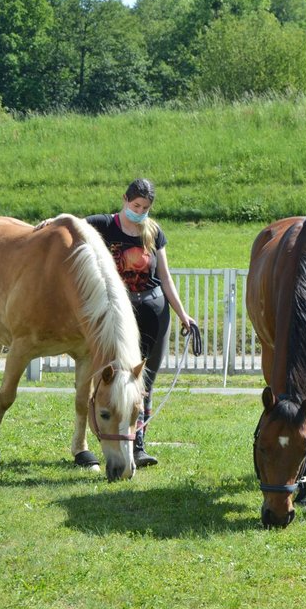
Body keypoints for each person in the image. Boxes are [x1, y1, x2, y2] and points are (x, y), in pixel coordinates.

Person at [39, 178, 195, 467]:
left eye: (145, 208)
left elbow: (165, 277)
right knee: (117, 378)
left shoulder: (154, 231)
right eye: (136, 205)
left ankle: (138, 446)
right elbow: (72, 225)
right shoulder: (104, 225)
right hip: (119, 316)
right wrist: (54, 221)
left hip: (153, 311)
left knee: (144, 381)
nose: (140, 212)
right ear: (125, 199)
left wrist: (183, 314)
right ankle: (109, 438)